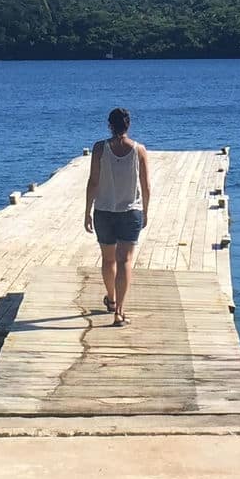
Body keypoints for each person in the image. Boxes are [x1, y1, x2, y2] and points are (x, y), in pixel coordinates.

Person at [84, 106, 151, 325]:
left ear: (109, 126)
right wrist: (147, 211)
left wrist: (87, 211)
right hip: (131, 211)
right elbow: (146, 185)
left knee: (108, 258)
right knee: (125, 261)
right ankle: (119, 312)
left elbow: (93, 182)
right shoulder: (139, 150)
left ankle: (111, 300)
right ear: (128, 125)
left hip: (103, 211)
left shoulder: (99, 149)